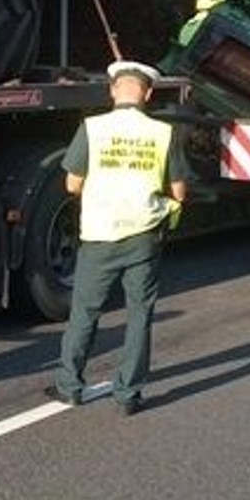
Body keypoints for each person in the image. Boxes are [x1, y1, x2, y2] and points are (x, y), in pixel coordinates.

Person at [46, 59, 189, 416]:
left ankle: (70, 385)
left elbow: (72, 183)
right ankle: (128, 394)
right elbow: (180, 192)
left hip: (98, 234)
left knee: (85, 312)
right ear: (149, 94)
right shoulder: (163, 133)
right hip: (144, 236)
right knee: (139, 313)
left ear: (112, 91)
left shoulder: (92, 128)